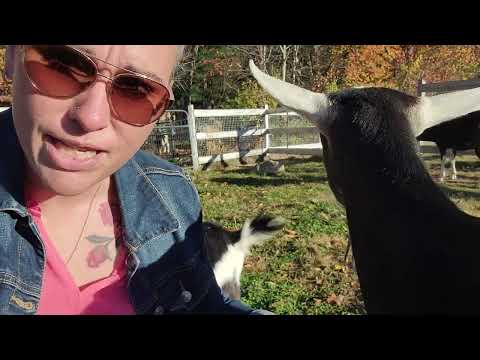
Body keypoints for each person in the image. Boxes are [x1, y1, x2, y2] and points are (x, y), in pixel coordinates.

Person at [0, 45, 271, 315]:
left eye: (136, 91)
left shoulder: (170, 194)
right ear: (12, 54)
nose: (90, 118)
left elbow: (204, 304)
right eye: (62, 66)